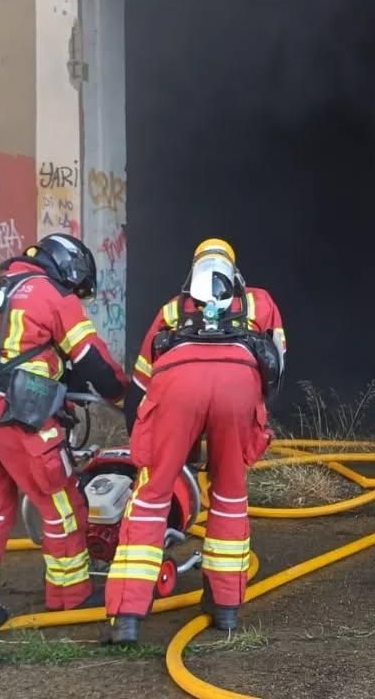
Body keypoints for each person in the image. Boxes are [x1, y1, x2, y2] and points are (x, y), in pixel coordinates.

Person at [0, 233, 129, 640]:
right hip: (17, 418)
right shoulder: (50, 294)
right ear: (70, 268)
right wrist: (125, 396)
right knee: (60, 501)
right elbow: (92, 361)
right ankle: (71, 596)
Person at [104, 238, 285, 644]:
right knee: (230, 495)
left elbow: (141, 379)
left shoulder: (171, 309)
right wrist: (250, 403)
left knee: (151, 496)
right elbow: (277, 365)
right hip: (238, 385)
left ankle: (128, 614)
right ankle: (225, 608)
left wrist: (141, 433)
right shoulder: (260, 303)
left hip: (175, 384)